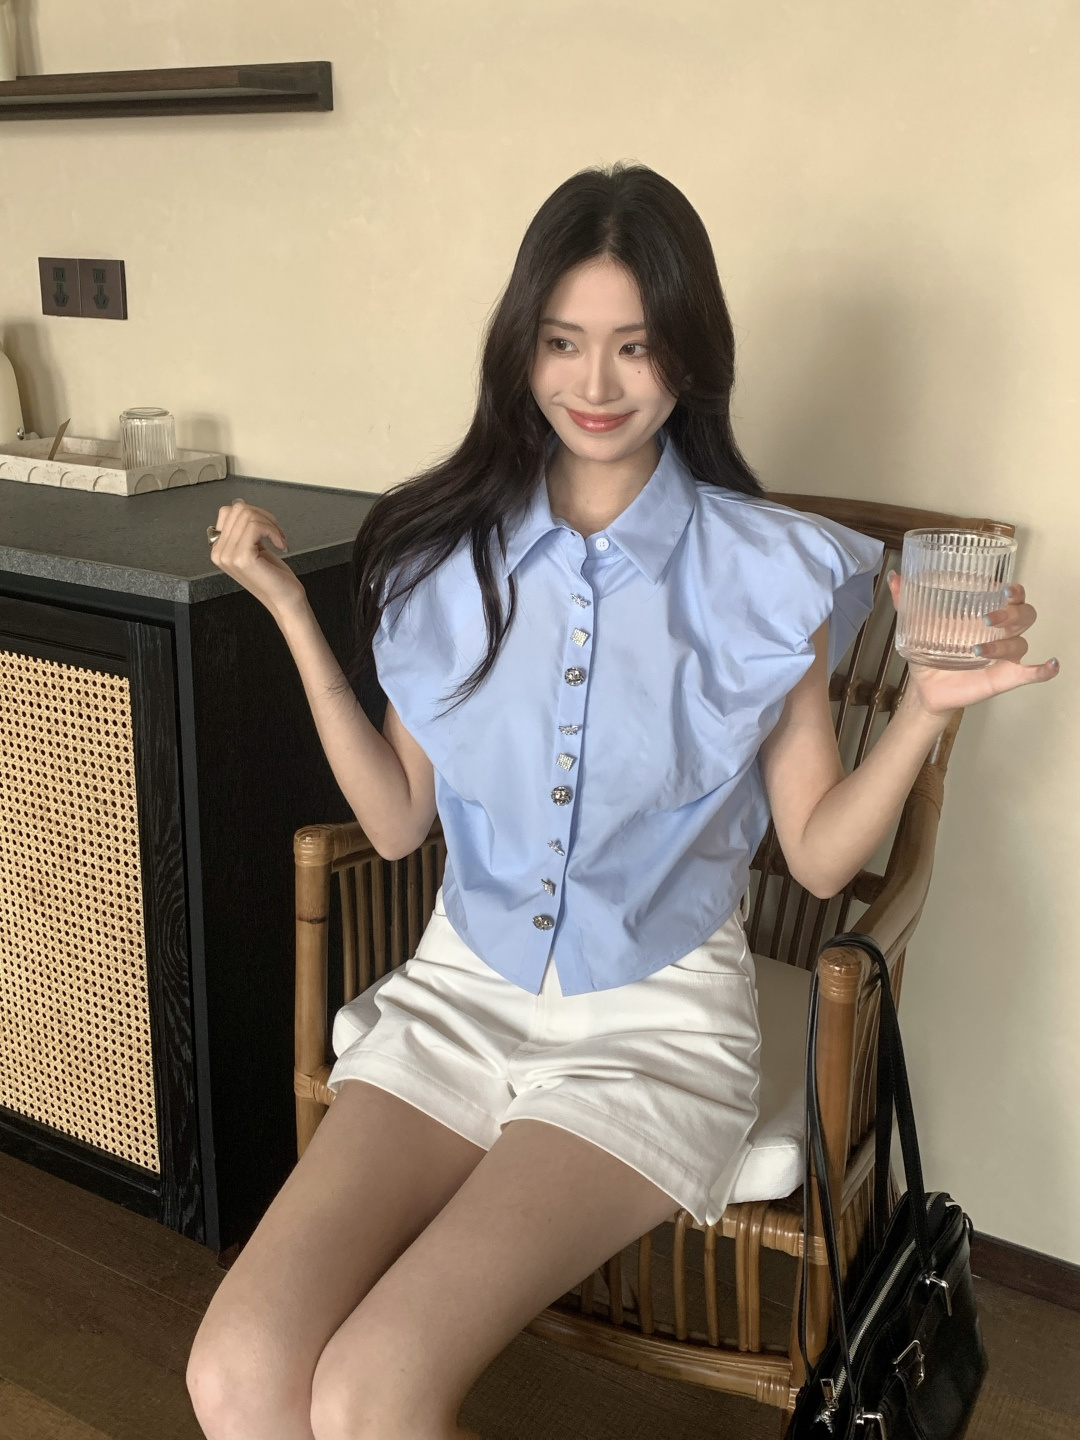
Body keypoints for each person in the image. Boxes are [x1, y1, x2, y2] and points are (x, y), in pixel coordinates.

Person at [186, 163, 1057, 1440]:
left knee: (373, 1391)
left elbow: (820, 860)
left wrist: (926, 710)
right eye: (562, 342)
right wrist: (290, 616)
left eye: (635, 346)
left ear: (689, 357)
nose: (595, 383)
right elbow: (398, 826)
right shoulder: (442, 551)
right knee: (236, 1370)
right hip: (458, 999)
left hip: (650, 1032)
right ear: (521, 350)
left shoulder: (765, 573)